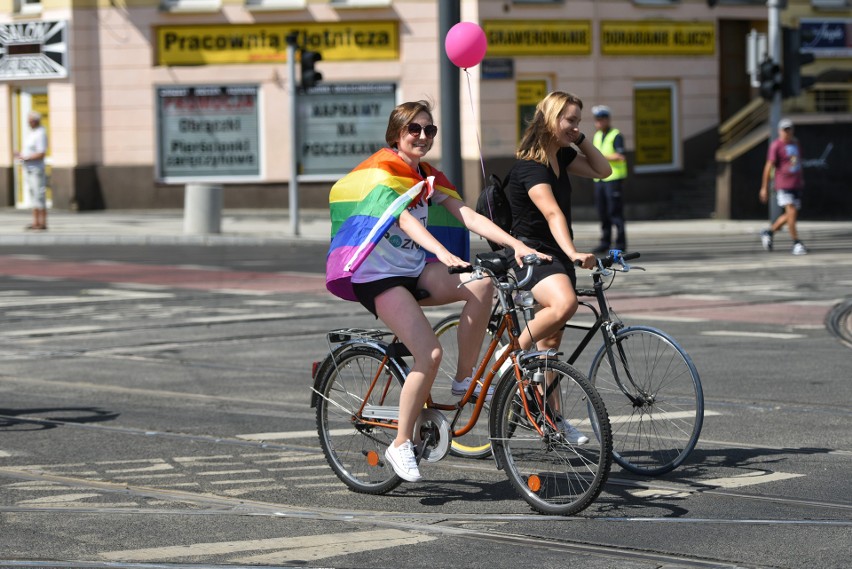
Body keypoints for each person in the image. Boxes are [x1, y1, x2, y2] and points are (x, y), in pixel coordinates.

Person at [325, 100, 548, 483]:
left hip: (413, 270)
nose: (424, 136)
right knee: (428, 353)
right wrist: (444, 254)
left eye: (430, 130)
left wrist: (516, 245)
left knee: (482, 284)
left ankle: (465, 379)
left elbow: (467, 214)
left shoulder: (426, 175)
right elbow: (405, 220)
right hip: (379, 277)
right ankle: (399, 444)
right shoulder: (384, 172)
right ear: (396, 133)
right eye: (415, 129)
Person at [504, 91, 612, 445]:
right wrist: (574, 252)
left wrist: (579, 138)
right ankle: (508, 364)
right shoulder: (529, 167)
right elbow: (552, 212)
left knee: (550, 344)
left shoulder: (561, 157)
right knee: (564, 306)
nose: (576, 127)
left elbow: (603, 169)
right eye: (570, 120)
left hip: (557, 256)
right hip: (531, 255)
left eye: (578, 120)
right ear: (551, 119)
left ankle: (550, 417)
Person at [759, 118, 807, 255]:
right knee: (791, 211)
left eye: (789, 129)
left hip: (796, 184)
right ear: (779, 131)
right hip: (783, 184)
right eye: (784, 130)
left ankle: (768, 232)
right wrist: (764, 187)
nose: (787, 132)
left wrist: (801, 179)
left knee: (790, 214)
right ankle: (796, 242)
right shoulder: (776, 146)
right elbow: (768, 167)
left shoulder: (796, 144)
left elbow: (797, 164)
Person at [590, 105, 628, 254]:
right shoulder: (597, 136)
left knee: (615, 213)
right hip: (599, 180)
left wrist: (601, 157)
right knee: (602, 212)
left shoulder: (616, 135)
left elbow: (620, 156)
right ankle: (605, 242)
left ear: (607, 120)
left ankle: (620, 243)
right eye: (597, 120)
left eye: (601, 119)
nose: (599, 123)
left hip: (613, 179)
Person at [14, 111, 49, 231]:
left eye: (30, 120)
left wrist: (26, 158)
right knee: (33, 195)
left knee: (39, 195)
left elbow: (41, 153)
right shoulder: (32, 133)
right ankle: (35, 222)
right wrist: (21, 155)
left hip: (36, 170)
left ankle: (42, 223)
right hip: (28, 168)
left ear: (36, 120)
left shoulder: (40, 133)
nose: (28, 122)